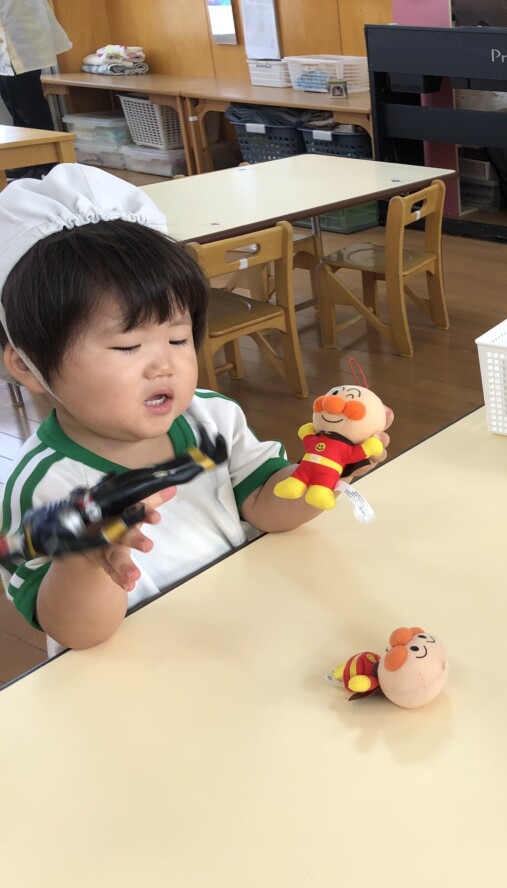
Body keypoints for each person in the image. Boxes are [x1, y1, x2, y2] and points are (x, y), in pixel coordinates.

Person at [0, 164, 391, 657]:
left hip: (237, 636)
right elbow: (79, 634)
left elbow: (262, 504)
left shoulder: (211, 419)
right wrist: (83, 562)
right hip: (141, 674)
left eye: (179, 338)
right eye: (127, 347)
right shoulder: (46, 485)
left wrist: (327, 469)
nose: (164, 364)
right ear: (29, 365)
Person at [0, 0, 70, 135]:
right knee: (18, 110)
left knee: (29, 111)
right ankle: (36, 146)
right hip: (11, 49)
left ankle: (46, 147)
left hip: (17, 46)